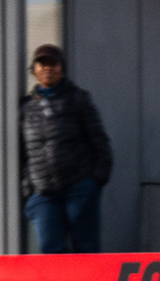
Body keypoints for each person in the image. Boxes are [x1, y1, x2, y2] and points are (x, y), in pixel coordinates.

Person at [19, 44, 112, 255]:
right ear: (34, 69)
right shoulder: (26, 107)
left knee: (85, 249)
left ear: (61, 68)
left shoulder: (78, 99)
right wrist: (28, 187)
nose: (47, 68)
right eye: (41, 64)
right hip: (42, 191)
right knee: (50, 248)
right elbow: (21, 152)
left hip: (78, 186)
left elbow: (100, 141)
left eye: (52, 63)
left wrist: (95, 181)